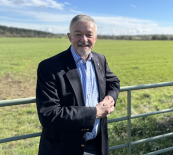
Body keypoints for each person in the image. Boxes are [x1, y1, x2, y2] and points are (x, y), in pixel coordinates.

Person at [36, 14, 120, 155]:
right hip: (64, 149)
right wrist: (95, 113)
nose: (84, 40)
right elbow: (48, 114)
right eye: (78, 34)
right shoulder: (49, 67)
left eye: (89, 35)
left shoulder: (100, 60)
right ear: (70, 37)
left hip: (97, 145)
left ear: (95, 38)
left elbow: (114, 82)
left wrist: (110, 98)